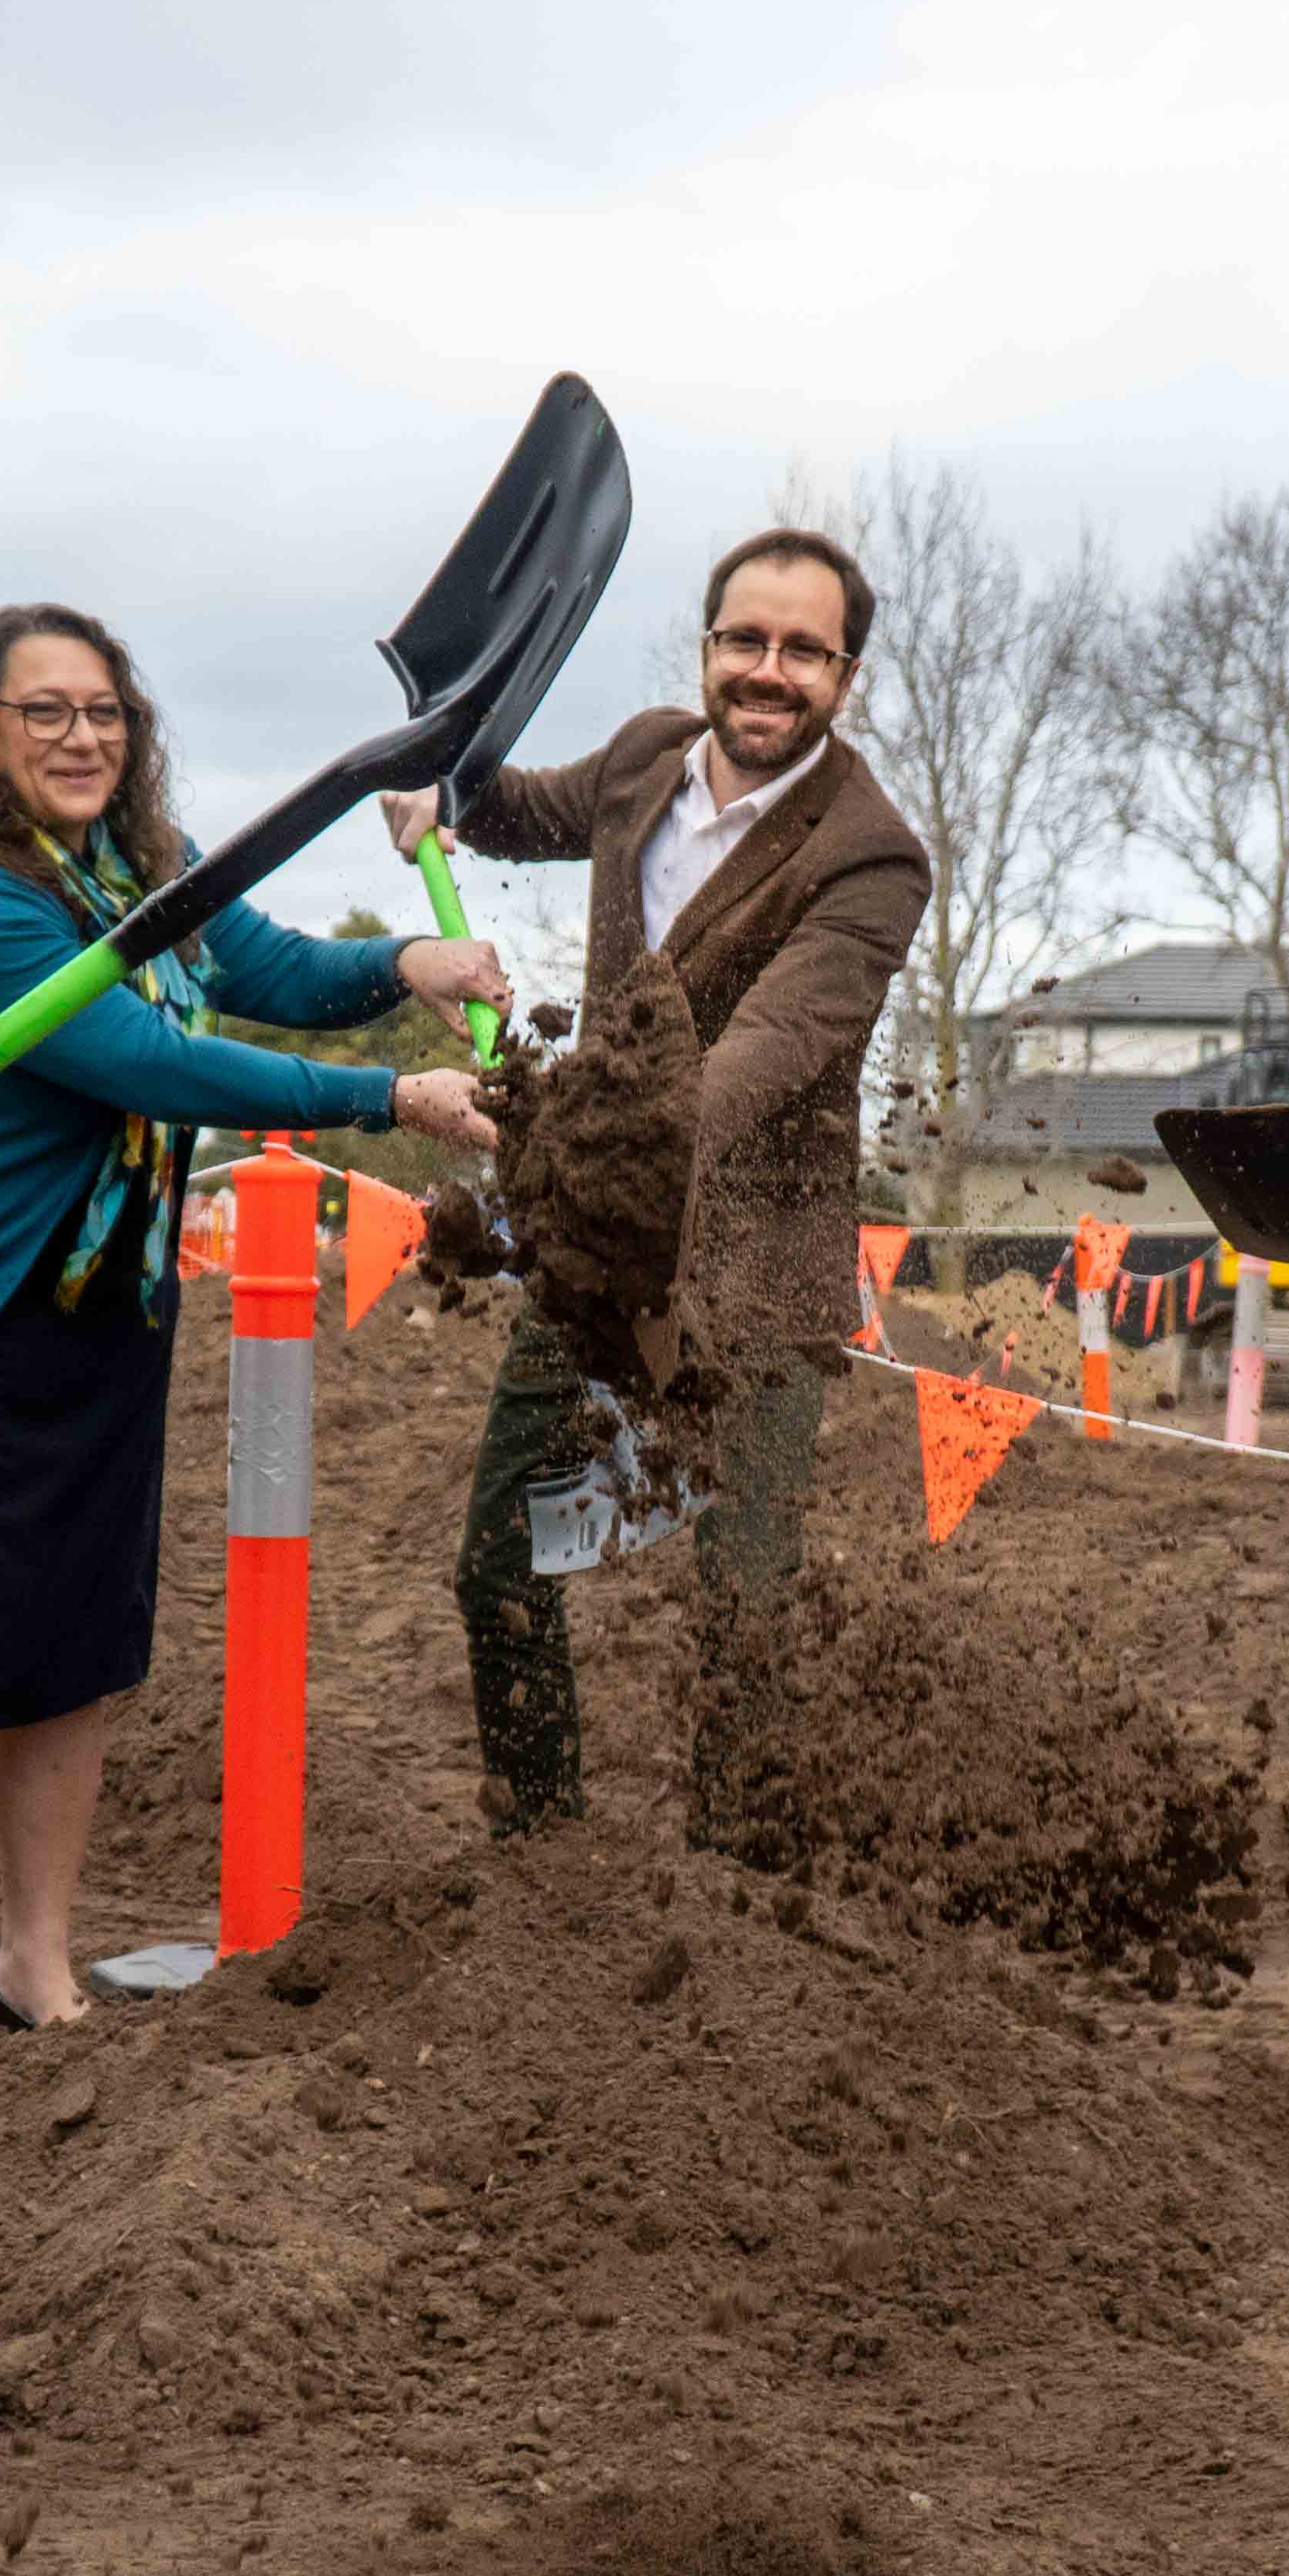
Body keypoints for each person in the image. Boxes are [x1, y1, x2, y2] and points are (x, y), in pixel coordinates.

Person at [0, 604, 506, 2077]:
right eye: (44, 712)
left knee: (71, 1645)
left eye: (104, 711)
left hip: (92, 1311)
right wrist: (388, 1104)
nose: (80, 737)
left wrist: (408, 967)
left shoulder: (141, 869)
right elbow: (143, 1061)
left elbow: (273, 970)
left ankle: (33, 1964)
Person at [387, 526, 932, 1848]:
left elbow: (769, 1053)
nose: (768, 669)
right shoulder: (642, 759)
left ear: (845, 678)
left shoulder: (870, 856)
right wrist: (442, 795)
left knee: (744, 1604)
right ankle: (546, 1856)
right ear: (706, 649)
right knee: (499, 1563)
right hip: (601, 1258)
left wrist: (596, 1123)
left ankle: (742, 1891)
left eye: (805, 650)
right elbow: (522, 808)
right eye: (746, 639)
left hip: (757, 1271)